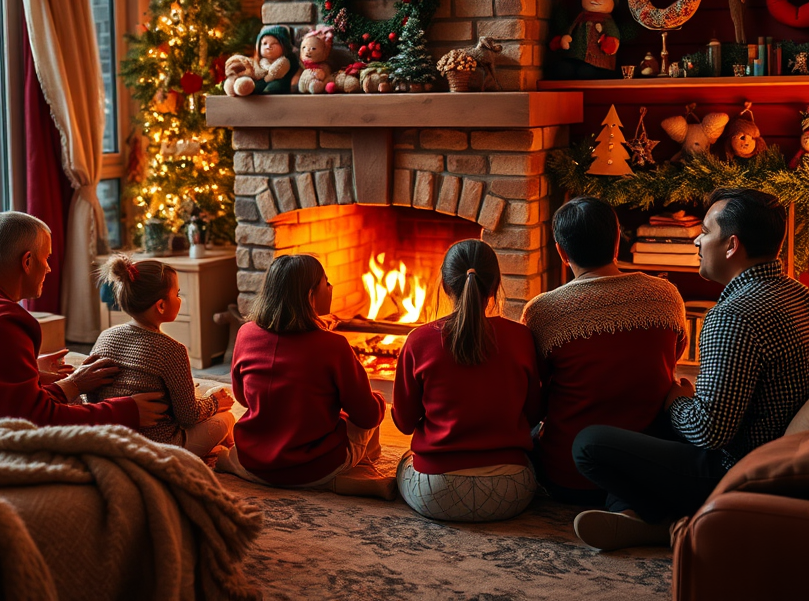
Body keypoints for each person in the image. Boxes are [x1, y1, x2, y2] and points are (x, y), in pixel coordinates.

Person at [571, 188, 809, 550]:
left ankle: (670, 522)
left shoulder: (732, 316)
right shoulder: (803, 294)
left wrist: (677, 400)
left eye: (705, 231)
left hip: (742, 471)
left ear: (731, 245)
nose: (697, 240)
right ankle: (635, 516)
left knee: (589, 445)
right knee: (644, 433)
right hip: (791, 459)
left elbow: (708, 432)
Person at [0, 211, 166, 429]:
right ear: (27, 261)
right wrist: (124, 411)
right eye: (47, 258)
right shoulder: (0, 322)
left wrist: (32, 370)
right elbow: (38, 420)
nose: (49, 268)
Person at [522, 197, 687, 504]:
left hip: (567, 476)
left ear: (561, 251)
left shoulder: (543, 311)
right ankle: (627, 504)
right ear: (617, 242)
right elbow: (673, 356)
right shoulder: (667, 296)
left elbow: (535, 392)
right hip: (644, 469)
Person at [220, 254, 394, 498]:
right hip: (313, 465)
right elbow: (366, 416)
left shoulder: (246, 333)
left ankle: (237, 466)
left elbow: (243, 399)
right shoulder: (334, 346)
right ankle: (357, 474)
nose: (331, 288)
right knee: (371, 409)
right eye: (327, 282)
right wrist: (375, 400)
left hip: (254, 459)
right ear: (311, 295)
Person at [391, 239, 542, 522]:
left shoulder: (418, 340)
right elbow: (534, 414)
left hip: (436, 493)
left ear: (447, 287)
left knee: (403, 462)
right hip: (512, 490)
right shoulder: (522, 338)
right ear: (495, 286)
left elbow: (403, 423)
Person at [89, 254, 236, 460]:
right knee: (227, 416)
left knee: (200, 391)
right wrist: (214, 402)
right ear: (161, 305)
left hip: (111, 440)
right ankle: (224, 454)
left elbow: (92, 396)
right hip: (160, 450)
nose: (180, 299)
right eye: (177, 294)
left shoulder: (106, 336)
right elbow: (188, 417)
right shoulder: (171, 350)